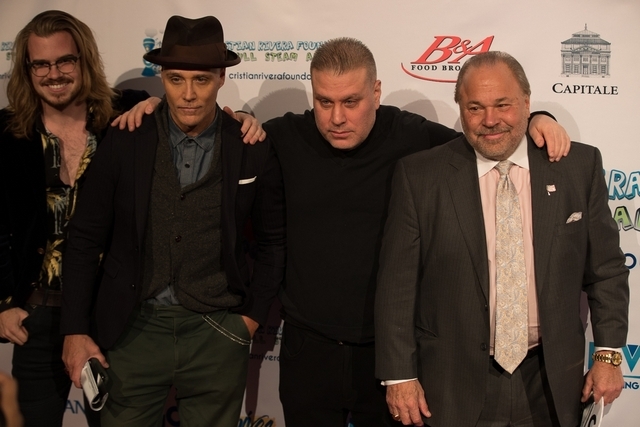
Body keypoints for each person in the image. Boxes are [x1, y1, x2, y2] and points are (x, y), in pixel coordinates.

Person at [261, 38, 571, 426]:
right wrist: (241, 116)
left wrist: (537, 118)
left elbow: (487, 137)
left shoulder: (413, 137)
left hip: (390, 355)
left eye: (351, 102)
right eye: (325, 102)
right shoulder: (286, 137)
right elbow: (234, 137)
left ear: (376, 92)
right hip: (307, 351)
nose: (337, 117)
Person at [375, 51, 629, 427]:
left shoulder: (578, 167)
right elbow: (397, 286)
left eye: (503, 105)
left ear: (527, 102)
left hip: (550, 379)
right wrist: (399, 375)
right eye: (475, 107)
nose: (490, 120)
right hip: (452, 381)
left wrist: (607, 355)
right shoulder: (420, 176)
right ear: (460, 109)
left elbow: (606, 270)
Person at [60, 15, 286, 427]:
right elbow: (84, 238)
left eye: (201, 80)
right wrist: (74, 329)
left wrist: (248, 322)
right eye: (176, 79)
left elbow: (273, 244)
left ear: (221, 78)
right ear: (161, 77)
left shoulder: (250, 145)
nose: (188, 94)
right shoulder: (126, 136)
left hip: (218, 332)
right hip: (132, 330)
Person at [0, 10, 151, 427]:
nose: (54, 74)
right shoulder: (6, 135)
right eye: (41, 64)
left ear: (84, 59)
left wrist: (241, 120)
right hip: (37, 318)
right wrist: (4, 303)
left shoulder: (128, 116)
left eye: (65, 60)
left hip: (112, 315)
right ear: (27, 69)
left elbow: (195, 121)